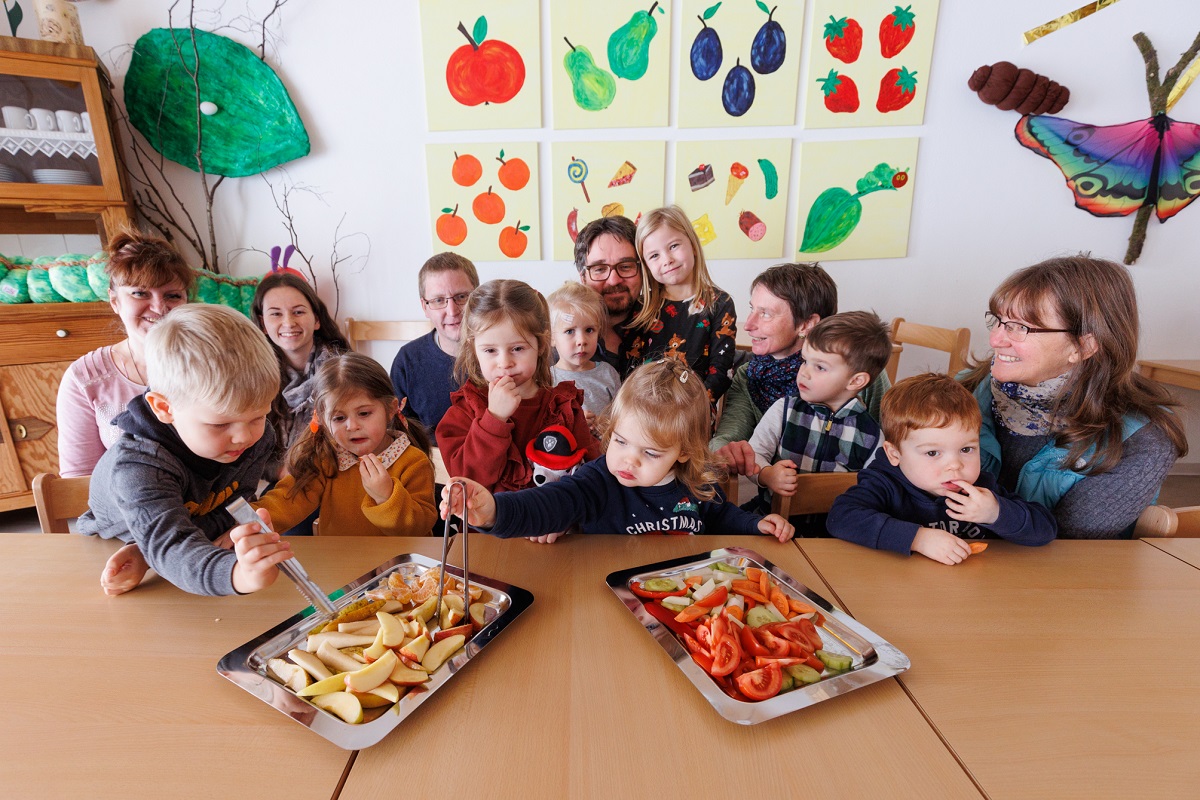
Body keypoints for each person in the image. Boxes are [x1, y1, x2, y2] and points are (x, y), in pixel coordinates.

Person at [439, 359, 794, 542]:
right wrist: (491, 512)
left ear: (684, 452)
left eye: (652, 453)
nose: (629, 459)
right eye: (621, 441)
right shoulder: (598, 481)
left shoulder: (699, 483)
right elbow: (547, 504)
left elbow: (718, 517)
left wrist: (754, 524)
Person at [959, 255, 1187, 538]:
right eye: (1000, 321)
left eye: (1021, 327)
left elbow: (1066, 549)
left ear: (1083, 346)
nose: (995, 340)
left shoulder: (1140, 441)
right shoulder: (967, 389)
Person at [77, 304, 291, 597]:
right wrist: (238, 575)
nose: (244, 437)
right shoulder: (140, 467)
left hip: (181, 532)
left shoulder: (257, 436)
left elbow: (233, 503)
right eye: (220, 424)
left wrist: (229, 529)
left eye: (258, 416)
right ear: (165, 408)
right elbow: (171, 546)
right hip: (112, 543)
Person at [828, 373, 1057, 564]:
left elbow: (1045, 530)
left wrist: (995, 512)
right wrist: (917, 539)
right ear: (894, 454)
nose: (955, 465)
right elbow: (841, 517)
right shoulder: (884, 484)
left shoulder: (981, 488)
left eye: (966, 449)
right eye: (932, 453)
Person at [710, 262, 891, 477]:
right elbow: (725, 440)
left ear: (806, 324)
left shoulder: (860, 371)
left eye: (766, 313)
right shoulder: (749, 375)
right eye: (752, 309)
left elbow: (893, 443)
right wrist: (726, 451)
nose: (748, 325)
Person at [436, 279, 600, 495]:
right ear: (473, 349)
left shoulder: (564, 407)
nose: (505, 363)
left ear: (541, 344)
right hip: (489, 528)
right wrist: (493, 420)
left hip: (556, 525)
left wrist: (562, 523)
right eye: (490, 351)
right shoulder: (463, 412)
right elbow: (468, 482)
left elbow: (588, 480)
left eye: (517, 348)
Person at [56, 229, 193, 478]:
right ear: (114, 301)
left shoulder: (211, 362)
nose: (159, 307)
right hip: (125, 511)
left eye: (172, 295)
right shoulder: (84, 377)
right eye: (140, 293)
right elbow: (79, 480)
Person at [254, 352, 438, 537]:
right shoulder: (326, 459)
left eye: (364, 413)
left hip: (399, 564)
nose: (353, 426)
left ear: (390, 409)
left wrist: (386, 497)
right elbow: (288, 500)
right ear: (324, 422)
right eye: (339, 418)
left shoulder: (414, 462)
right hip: (341, 564)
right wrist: (249, 521)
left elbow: (419, 528)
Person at [747, 311, 893, 506]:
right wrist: (767, 475)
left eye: (820, 367)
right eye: (805, 361)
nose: (804, 373)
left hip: (834, 531)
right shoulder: (785, 410)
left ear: (856, 380)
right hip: (771, 518)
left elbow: (877, 489)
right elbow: (754, 454)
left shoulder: (872, 436)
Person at [625, 206, 738, 406]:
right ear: (646, 265)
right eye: (654, 256)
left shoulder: (720, 304)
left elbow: (721, 371)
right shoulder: (642, 307)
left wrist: (692, 408)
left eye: (674, 246)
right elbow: (631, 366)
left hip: (694, 413)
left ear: (693, 244)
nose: (667, 260)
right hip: (645, 411)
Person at [251, 271, 350, 480]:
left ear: (316, 319)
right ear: (263, 324)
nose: (288, 322)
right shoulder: (252, 377)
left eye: (298, 312)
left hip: (338, 476)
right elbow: (247, 449)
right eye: (276, 314)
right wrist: (279, 471)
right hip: (279, 482)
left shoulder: (344, 371)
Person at [390, 253, 480, 445]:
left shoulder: (503, 353)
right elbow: (400, 433)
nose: (452, 311)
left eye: (462, 297)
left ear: (478, 298)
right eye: (439, 300)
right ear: (425, 306)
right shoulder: (407, 361)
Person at [547, 281, 621, 428]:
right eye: (569, 331)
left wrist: (601, 422)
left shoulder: (608, 373)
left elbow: (622, 418)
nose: (581, 341)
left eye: (589, 330)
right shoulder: (547, 379)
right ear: (552, 337)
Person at [573, 215, 642, 372]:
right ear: (582, 277)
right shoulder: (560, 340)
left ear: (643, 270)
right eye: (599, 269)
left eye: (625, 266)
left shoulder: (670, 326)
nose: (614, 280)